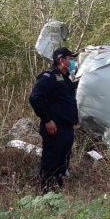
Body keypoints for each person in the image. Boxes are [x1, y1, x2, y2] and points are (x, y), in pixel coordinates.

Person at [29, 47, 79, 193]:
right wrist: (47, 120)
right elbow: (35, 98)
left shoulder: (65, 78)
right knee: (51, 160)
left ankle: (57, 192)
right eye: (71, 59)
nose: (73, 62)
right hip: (54, 127)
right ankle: (46, 192)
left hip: (66, 128)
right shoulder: (48, 77)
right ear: (62, 60)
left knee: (62, 162)